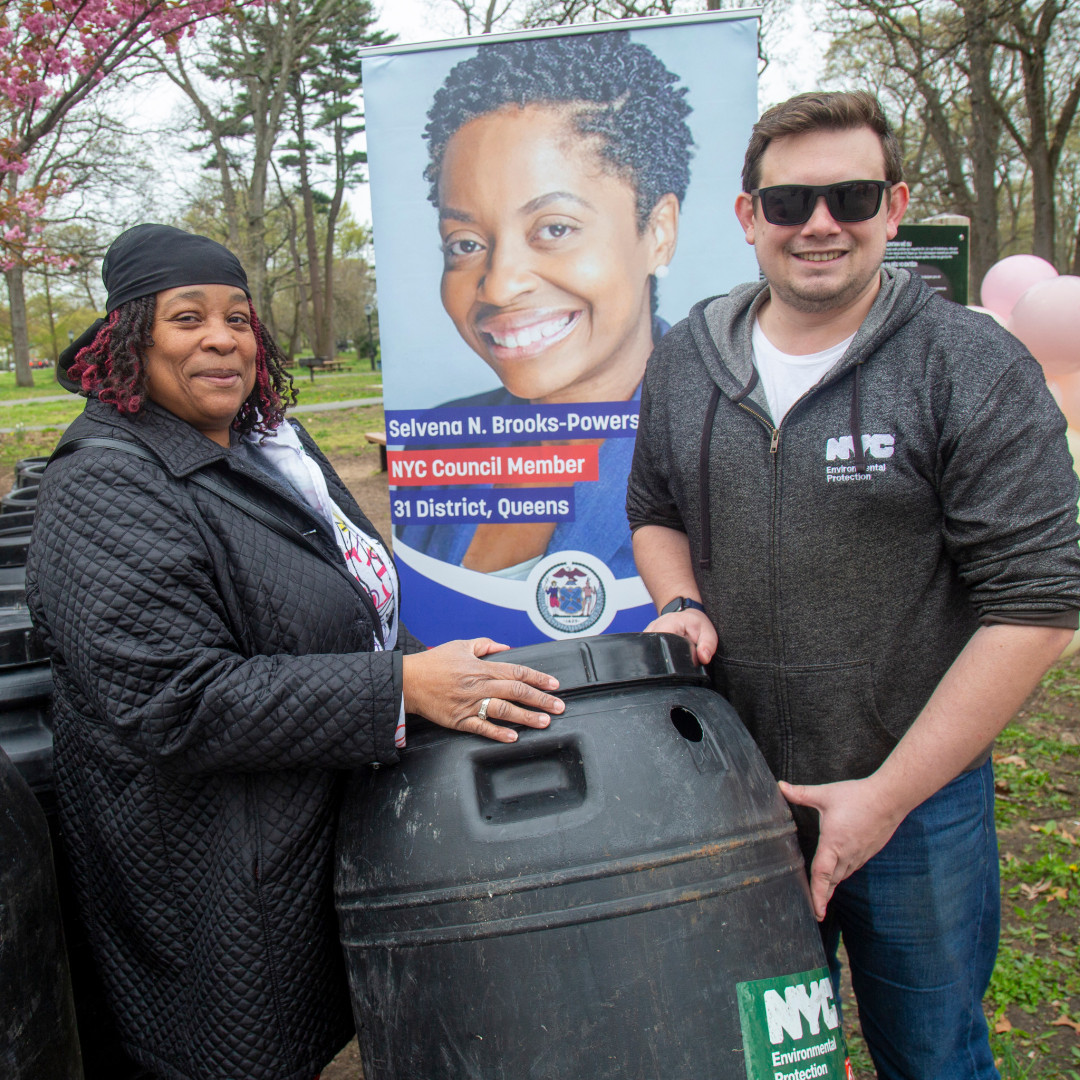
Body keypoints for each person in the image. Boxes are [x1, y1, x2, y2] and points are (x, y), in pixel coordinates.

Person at [26, 223, 564, 1080]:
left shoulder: (271, 446)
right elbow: (173, 699)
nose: (220, 339)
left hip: (298, 849)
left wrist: (425, 664)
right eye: (186, 318)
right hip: (210, 886)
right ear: (130, 339)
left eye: (238, 319)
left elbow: (347, 599)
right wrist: (401, 689)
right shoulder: (106, 482)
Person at [626, 91, 1080, 1078]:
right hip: (738, 799)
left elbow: (1038, 609)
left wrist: (885, 795)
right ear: (749, 217)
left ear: (895, 205)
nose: (820, 224)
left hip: (919, 807)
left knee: (935, 1058)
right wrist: (681, 599)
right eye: (790, 203)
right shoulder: (686, 360)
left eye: (852, 196)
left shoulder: (970, 364)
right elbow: (654, 509)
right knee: (763, 1062)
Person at [395, 31, 692, 580]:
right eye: (465, 243)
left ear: (658, 232)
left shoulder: (715, 445)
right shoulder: (436, 442)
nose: (500, 286)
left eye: (554, 228)